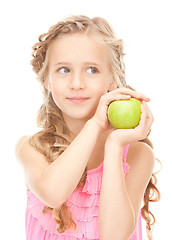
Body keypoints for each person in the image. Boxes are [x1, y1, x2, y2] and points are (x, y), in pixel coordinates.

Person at [16, 15, 160, 240]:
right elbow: (53, 194)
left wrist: (113, 145)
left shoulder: (137, 154)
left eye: (92, 70)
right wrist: (94, 125)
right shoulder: (32, 148)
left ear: (113, 79)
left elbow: (115, 235)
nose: (77, 84)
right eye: (64, 70)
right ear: (47, 80)